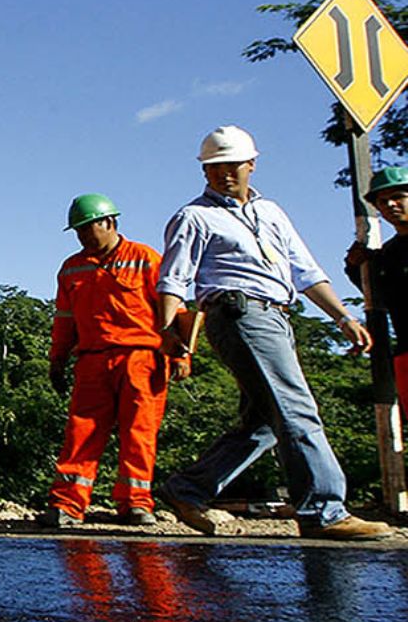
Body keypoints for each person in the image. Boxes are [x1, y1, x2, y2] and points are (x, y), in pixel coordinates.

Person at [154, 126, 391, 540]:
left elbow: (306, 271)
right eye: (215, 167)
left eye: (233, 165)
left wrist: (343, 318)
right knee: (297, 409)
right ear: (204, 170)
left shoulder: (273, 213)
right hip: (238, 314)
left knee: (265, 422)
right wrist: (168, 332)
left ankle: (188, 488)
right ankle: (323, 510)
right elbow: (174, 280)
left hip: (278, 315)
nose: (225, 173)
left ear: (252, 164)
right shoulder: (194, 216)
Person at [43, 194, 166, 528]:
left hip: (141, 358)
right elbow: (64, 319)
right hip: (92, 361)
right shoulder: (72, 268)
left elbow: (172, 309)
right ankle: (68, 504)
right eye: (78, 231)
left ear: (110, 223)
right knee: (81, 433)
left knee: (139, 434)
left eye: (88, 228)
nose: (83, 236)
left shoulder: (145, 259)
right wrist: (57, 359)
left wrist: (180, 353)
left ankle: (136, 504)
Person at [345, 165, 408, 408]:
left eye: (398, 197)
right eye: (383, 201)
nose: (390, 205)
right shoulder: (386, 257)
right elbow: (377, 293)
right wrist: (356, 265)